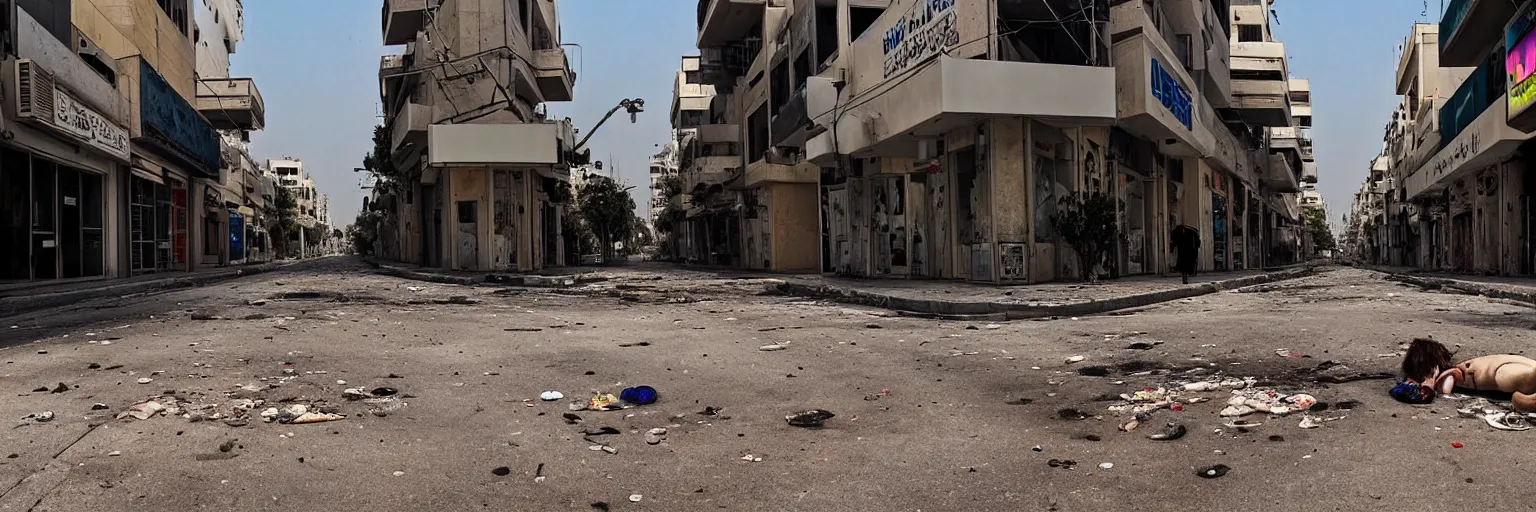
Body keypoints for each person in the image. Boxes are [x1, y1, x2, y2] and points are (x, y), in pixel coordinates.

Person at [1396, 338, 1536, 412]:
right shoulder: (1446, 373)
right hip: (1513, 369)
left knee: (1507, 378)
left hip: (1503, 371)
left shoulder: (1442, 371)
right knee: (1514, 381)